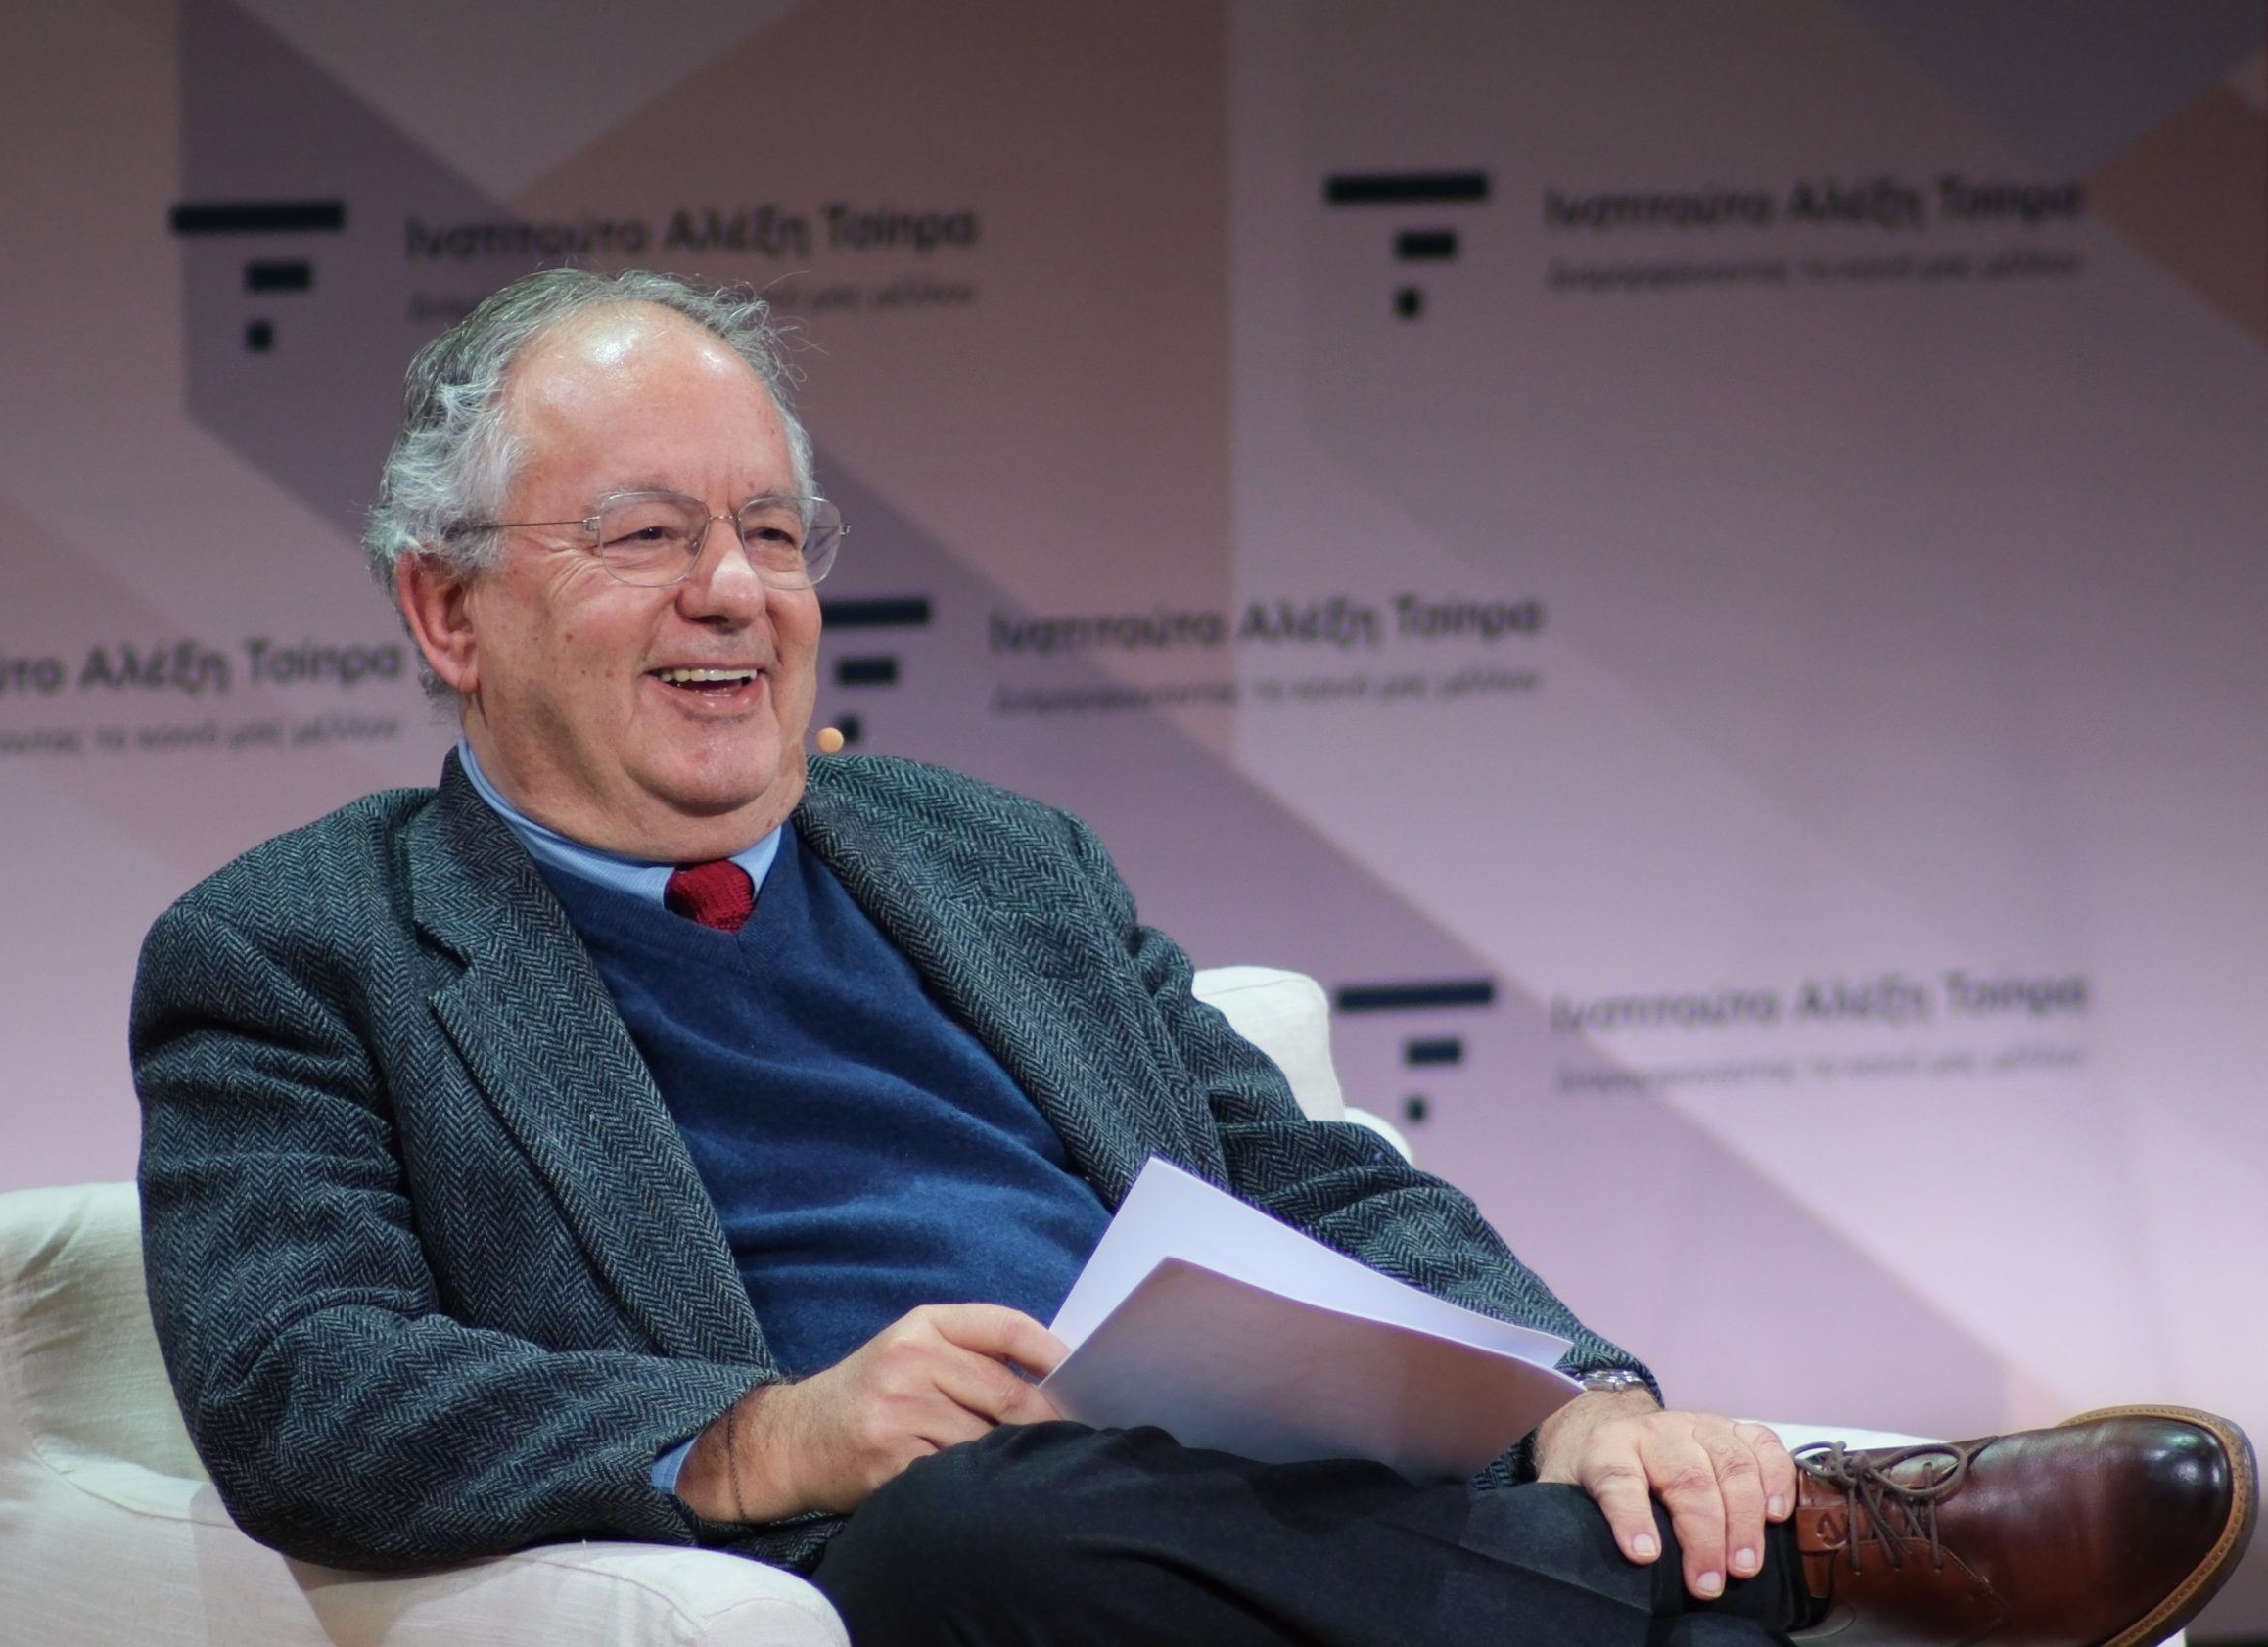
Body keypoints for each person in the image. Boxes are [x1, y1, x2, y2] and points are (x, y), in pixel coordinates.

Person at [131, 268, 2253, 1647]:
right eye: (643, 536)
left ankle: (1682, 1552)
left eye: (772, 532)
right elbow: (302, 1384)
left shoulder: (992, 855)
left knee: (1196, 1518)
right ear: (448, 611)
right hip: (942, 1539)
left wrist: (1578, 1397)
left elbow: (1309, 1176)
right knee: (980, 1542)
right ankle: (1812, 1559)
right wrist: (764, 1433)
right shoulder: (296, 948)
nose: (734, 592)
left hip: (1240, 1484)